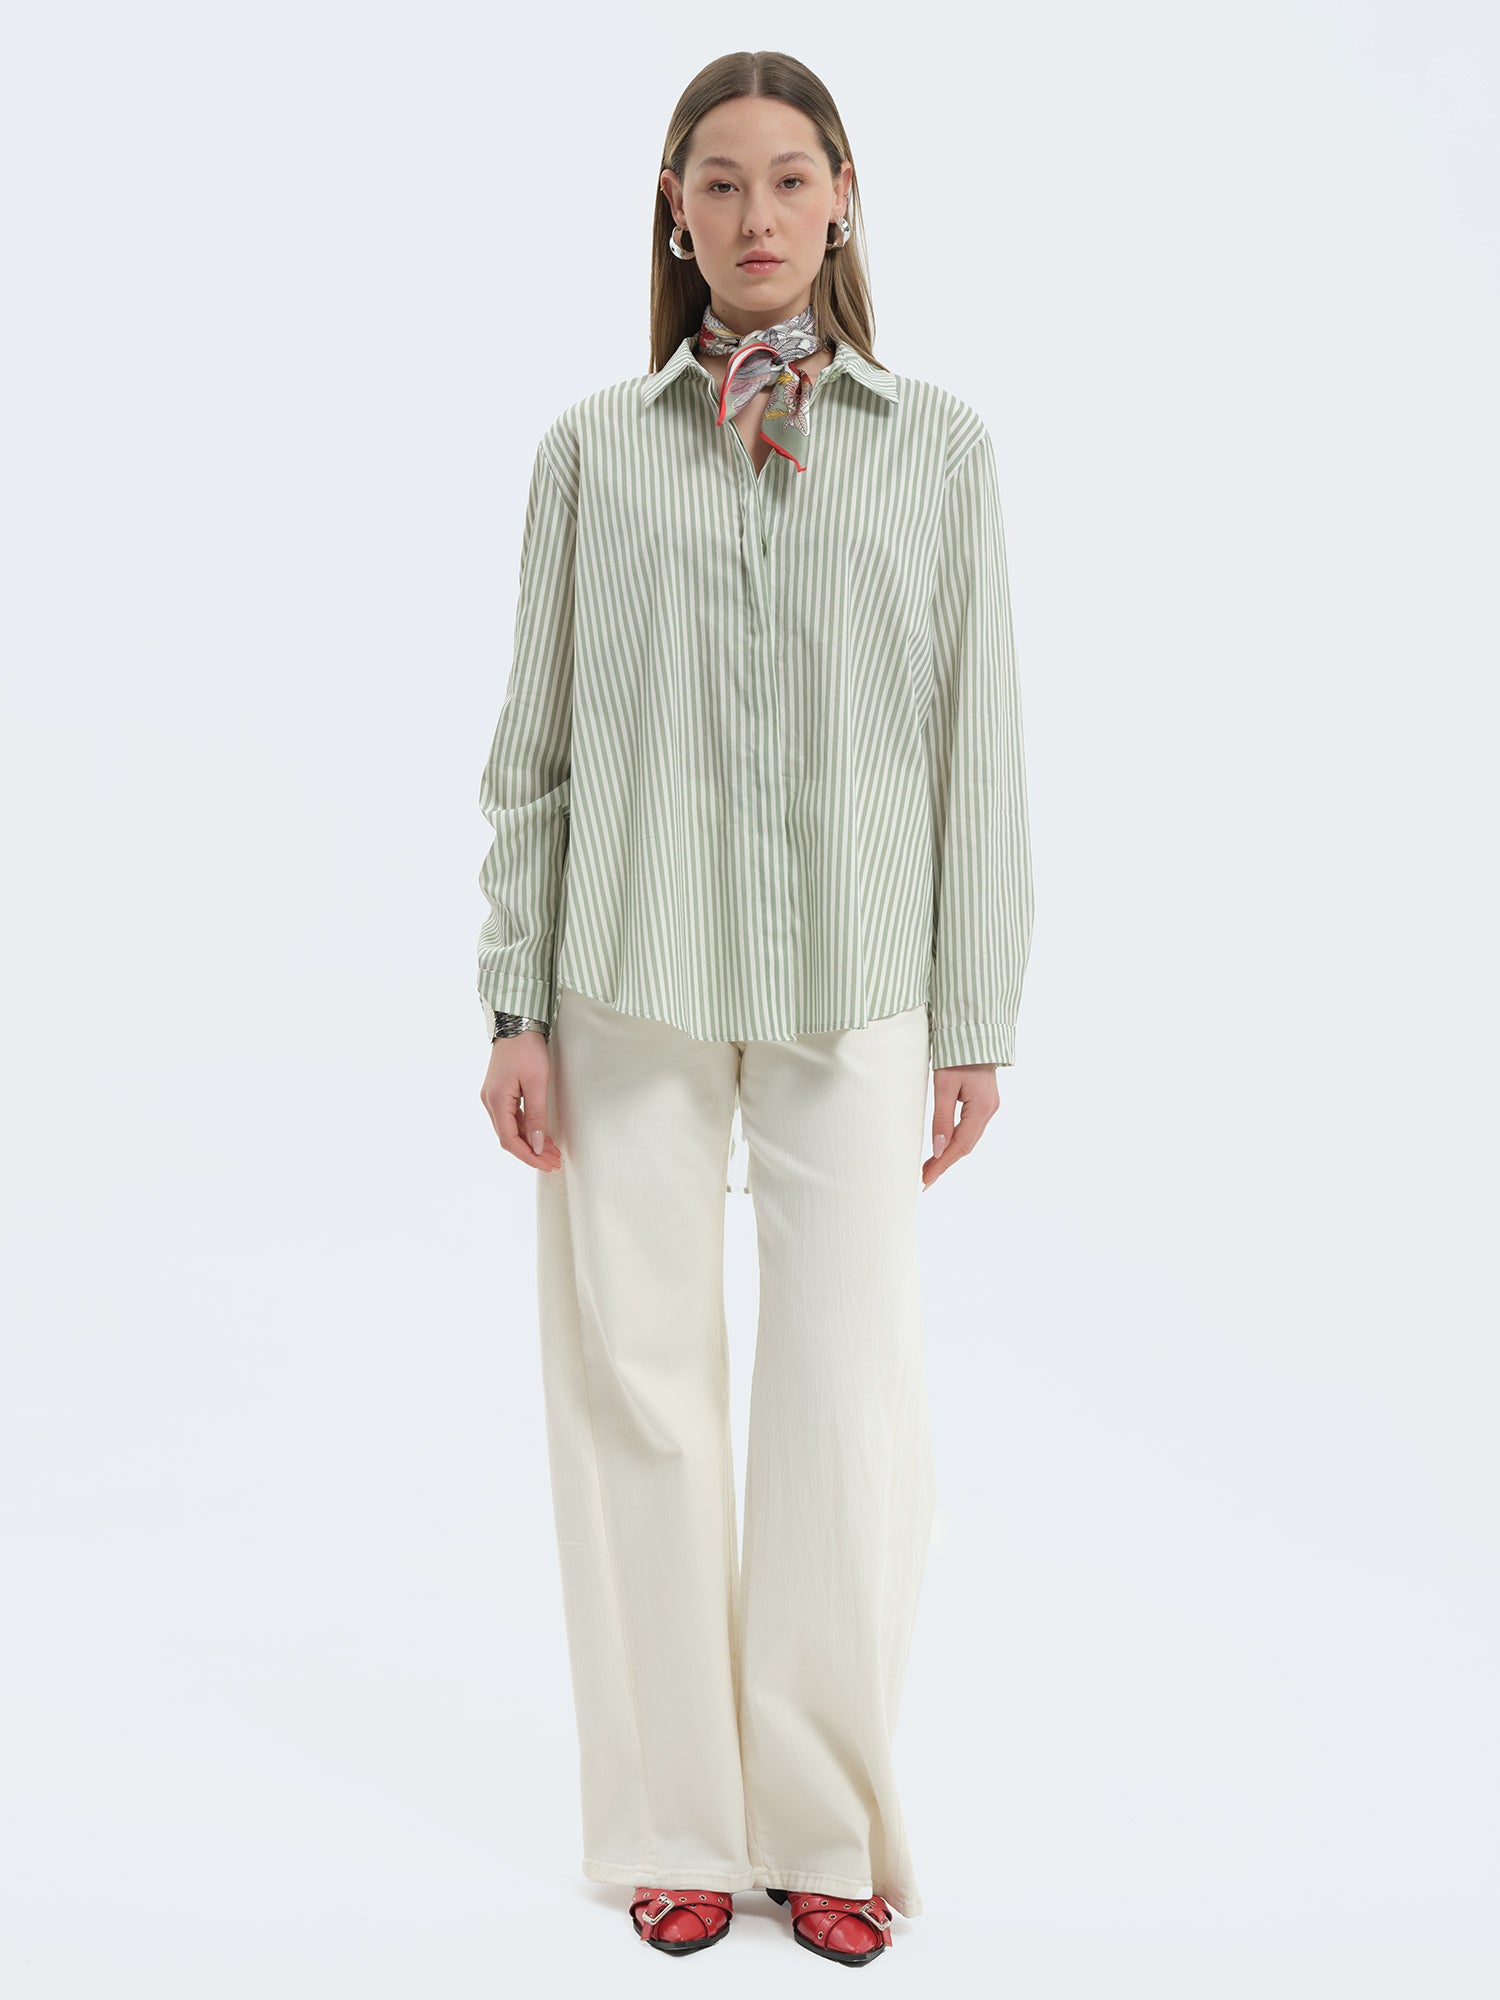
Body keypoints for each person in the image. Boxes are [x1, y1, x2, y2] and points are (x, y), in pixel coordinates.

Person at [475, 49, 1034, 1967]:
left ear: (846, 196)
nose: (758, 213)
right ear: (673, 209)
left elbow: (978, 745)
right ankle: (673, 1825)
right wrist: (513, 1000)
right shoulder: (590, 452)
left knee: (845, 1397)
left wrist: (972, 1015)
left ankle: (823, 1824)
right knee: (637, 1388)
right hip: (625, 971)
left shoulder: (939, 449)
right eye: (719, 181)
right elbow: (536, 748)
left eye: (792, 178)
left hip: (860, 979)